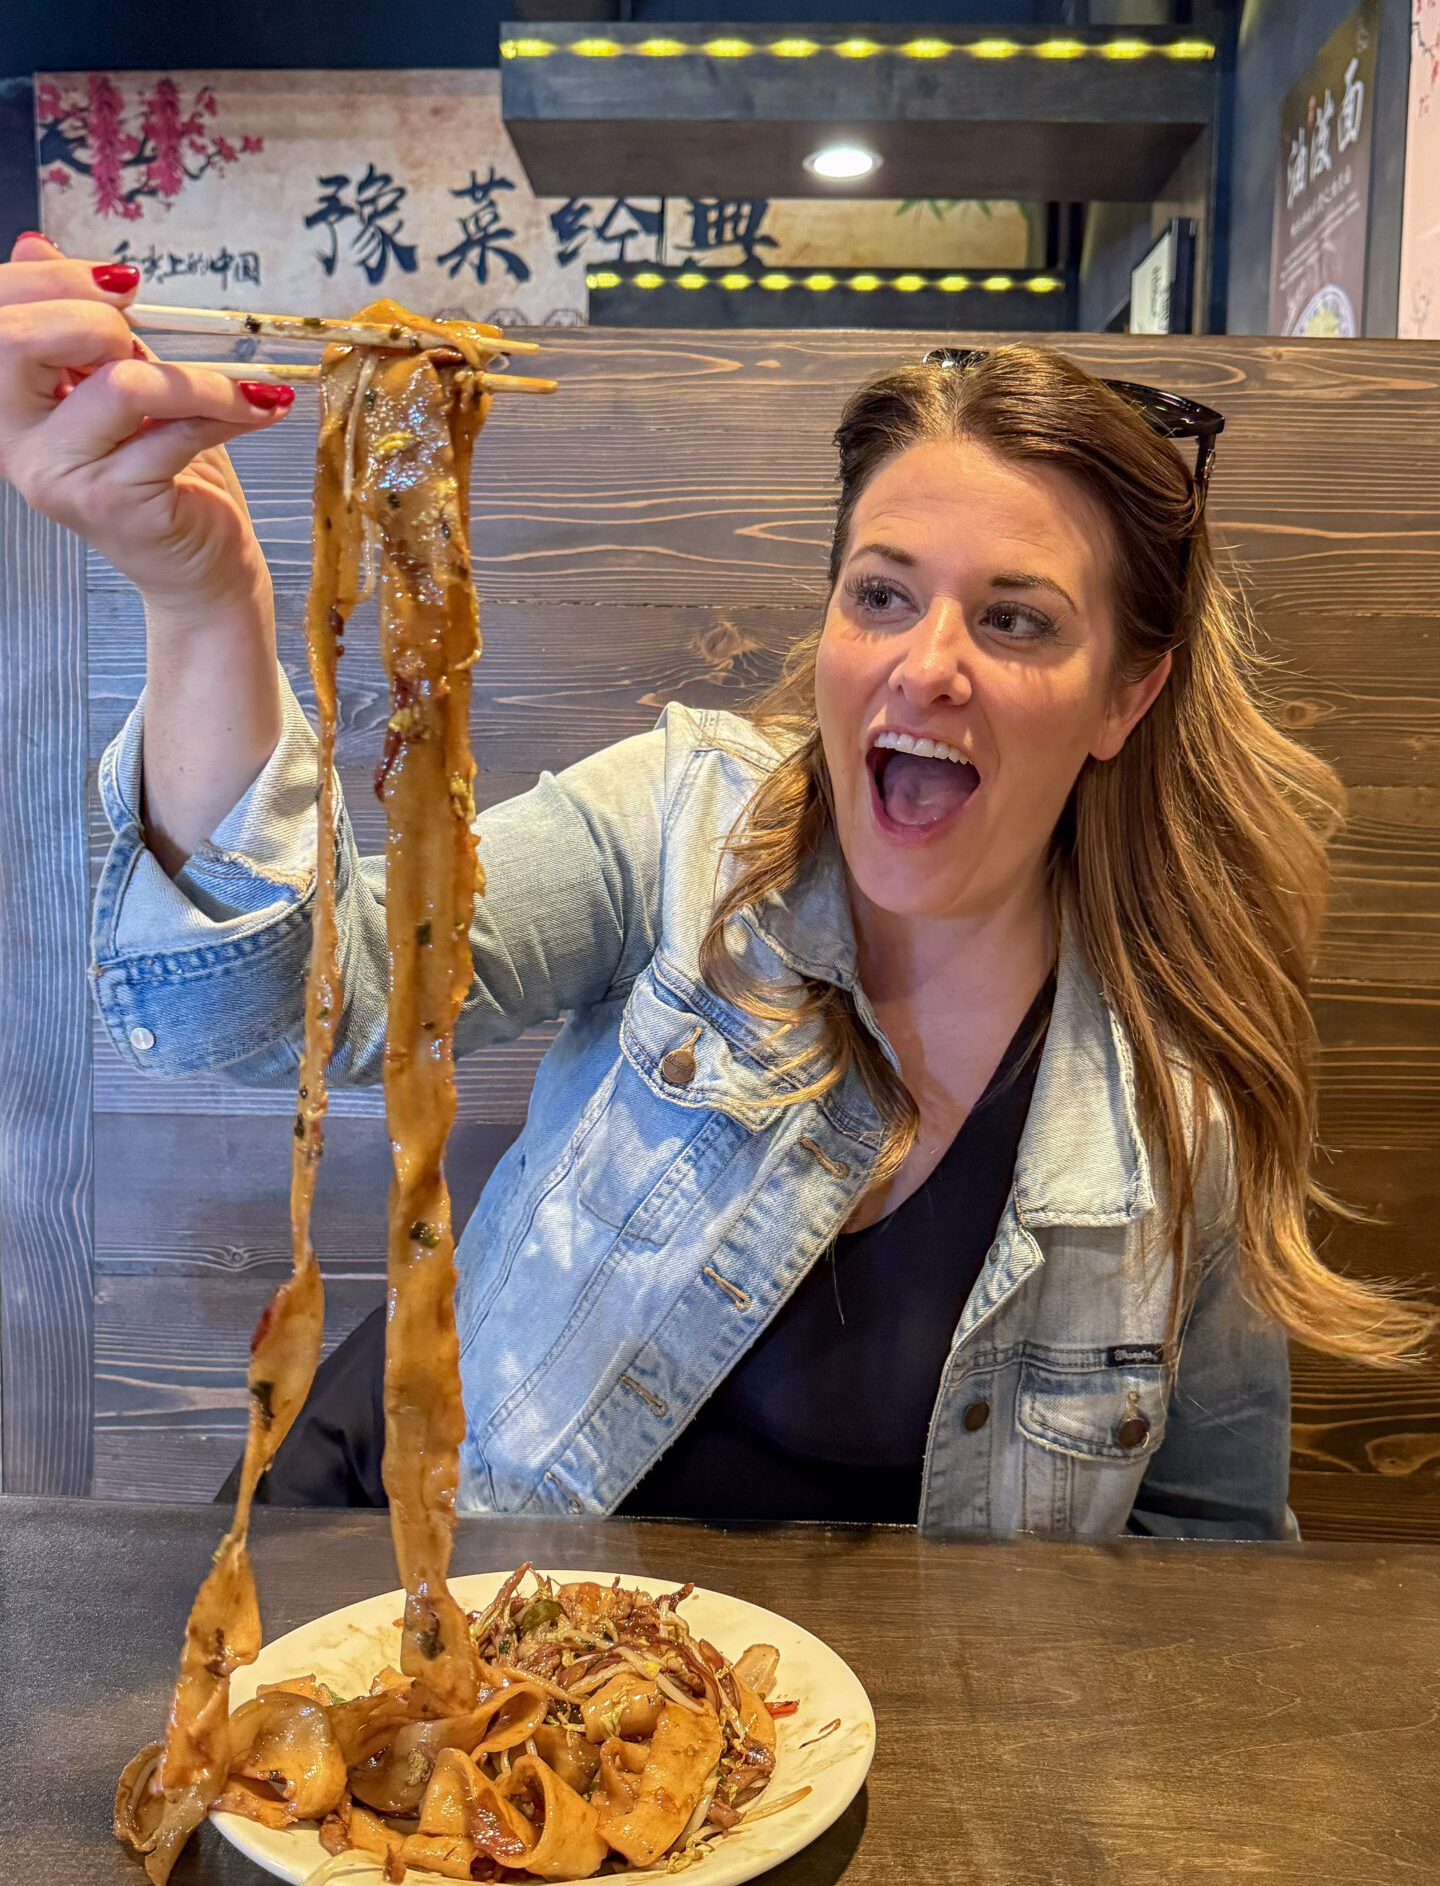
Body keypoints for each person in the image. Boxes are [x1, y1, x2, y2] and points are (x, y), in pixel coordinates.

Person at [0, 236, 1427, 1537]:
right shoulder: (680, 831)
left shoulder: (1181, 1092)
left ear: (1126, 696)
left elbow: (1210, 1545)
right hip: (441, 1561)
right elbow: (281, 1016)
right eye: (881, 593)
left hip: (830, 1740)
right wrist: (202, 600)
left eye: (1015, 618)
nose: (925, 661)